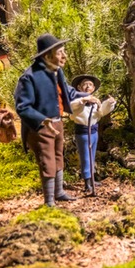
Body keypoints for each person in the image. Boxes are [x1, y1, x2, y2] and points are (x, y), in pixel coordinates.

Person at [15, 34, 93, 206]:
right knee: (47, 160)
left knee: (58, 156)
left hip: (57, 123)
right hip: (40, 128)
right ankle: (49, 200)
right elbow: (23, 107)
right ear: (47, 56)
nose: (64, 56)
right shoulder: (29, 77)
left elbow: (68, 92)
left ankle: (59, 192)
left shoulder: (57, 72)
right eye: (60, 53)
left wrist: (87, 96)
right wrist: (43, 120)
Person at [69, 75, 116, 195]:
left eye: (90, 84)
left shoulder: (95, 102)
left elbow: (101, 112)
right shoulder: (77, 101)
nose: (87, 86)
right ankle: (87, 183)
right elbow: (73, 109)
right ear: (79, 87)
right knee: (85, 157)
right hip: (83, 133)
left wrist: (109, 103)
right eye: (85, 84)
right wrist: (84, 100)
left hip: (94, 132)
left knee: (92, 156)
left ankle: (92, 179)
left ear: (94, 88)